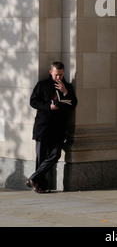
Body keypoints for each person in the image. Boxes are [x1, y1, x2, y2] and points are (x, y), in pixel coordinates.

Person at [26, 61, 77, 193]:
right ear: (51, 72)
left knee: (55, 155)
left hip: (59, 128)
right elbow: (33, 101)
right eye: (56, 75)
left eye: (61, 74)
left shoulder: (68, 87)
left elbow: (73, 104)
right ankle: (40, 185)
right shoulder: (42, 85)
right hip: (43, 127)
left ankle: (33, 178)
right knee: (41, 157)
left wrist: (66, 92)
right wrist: (48, 107)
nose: (59, 77)